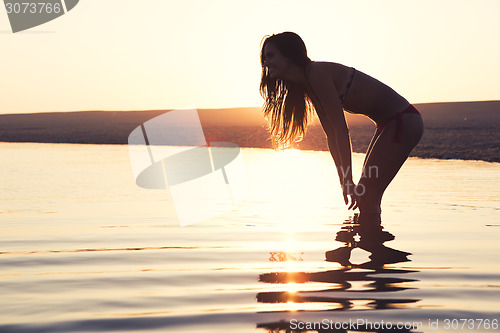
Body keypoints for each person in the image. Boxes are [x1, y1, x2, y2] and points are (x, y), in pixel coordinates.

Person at [259, 32, 424, 231]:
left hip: (402, 121)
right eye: (265, 57)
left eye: (271, 56)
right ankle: (374, 251)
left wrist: (348, 180)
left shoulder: (316, 74)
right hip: (390, 124)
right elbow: (331, 135)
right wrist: (344, 180)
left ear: (288, 55)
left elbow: (341, 130)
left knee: (367, 197)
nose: (266, 62)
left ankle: (377, 253)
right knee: (365, 197)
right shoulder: (307, 85)